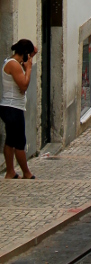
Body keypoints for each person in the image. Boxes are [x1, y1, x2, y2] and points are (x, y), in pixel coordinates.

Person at [1, 39, 37, 179]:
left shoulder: (12, 61)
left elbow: (35, 49)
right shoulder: (14, 65)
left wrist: (31, 54)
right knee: (20, 142)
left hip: (11, 107)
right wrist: (29, 69)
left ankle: (10, 172)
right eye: (29, 55)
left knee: (10, 140)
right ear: (24, 53)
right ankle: (26, 173)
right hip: (12, 107)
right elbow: (23, 86)